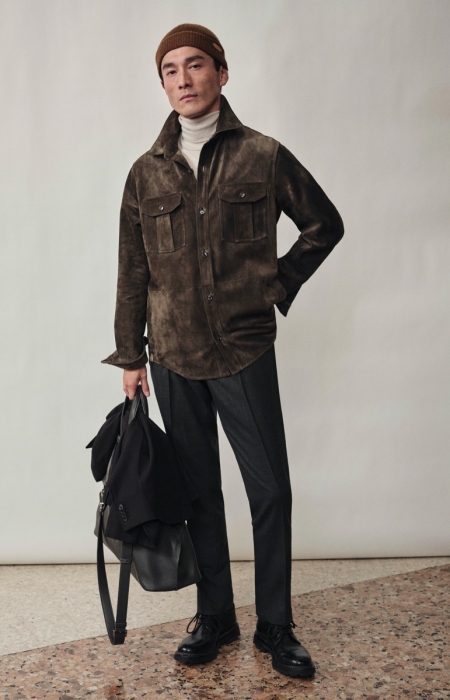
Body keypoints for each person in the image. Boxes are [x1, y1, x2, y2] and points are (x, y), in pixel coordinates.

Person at [102, 23, 344, 678]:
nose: (183, 79)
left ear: (222, 72)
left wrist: (276, 284)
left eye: (196, 64)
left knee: (270, 491)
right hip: (171, 355)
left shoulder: (263, 155)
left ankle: (276, 625)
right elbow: (132, 271)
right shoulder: (145, 174)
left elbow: (324, 224)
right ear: (163, 84)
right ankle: (215, 616)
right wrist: (130, 356)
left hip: (243, 348)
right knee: (199, 493)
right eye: (170, 70)